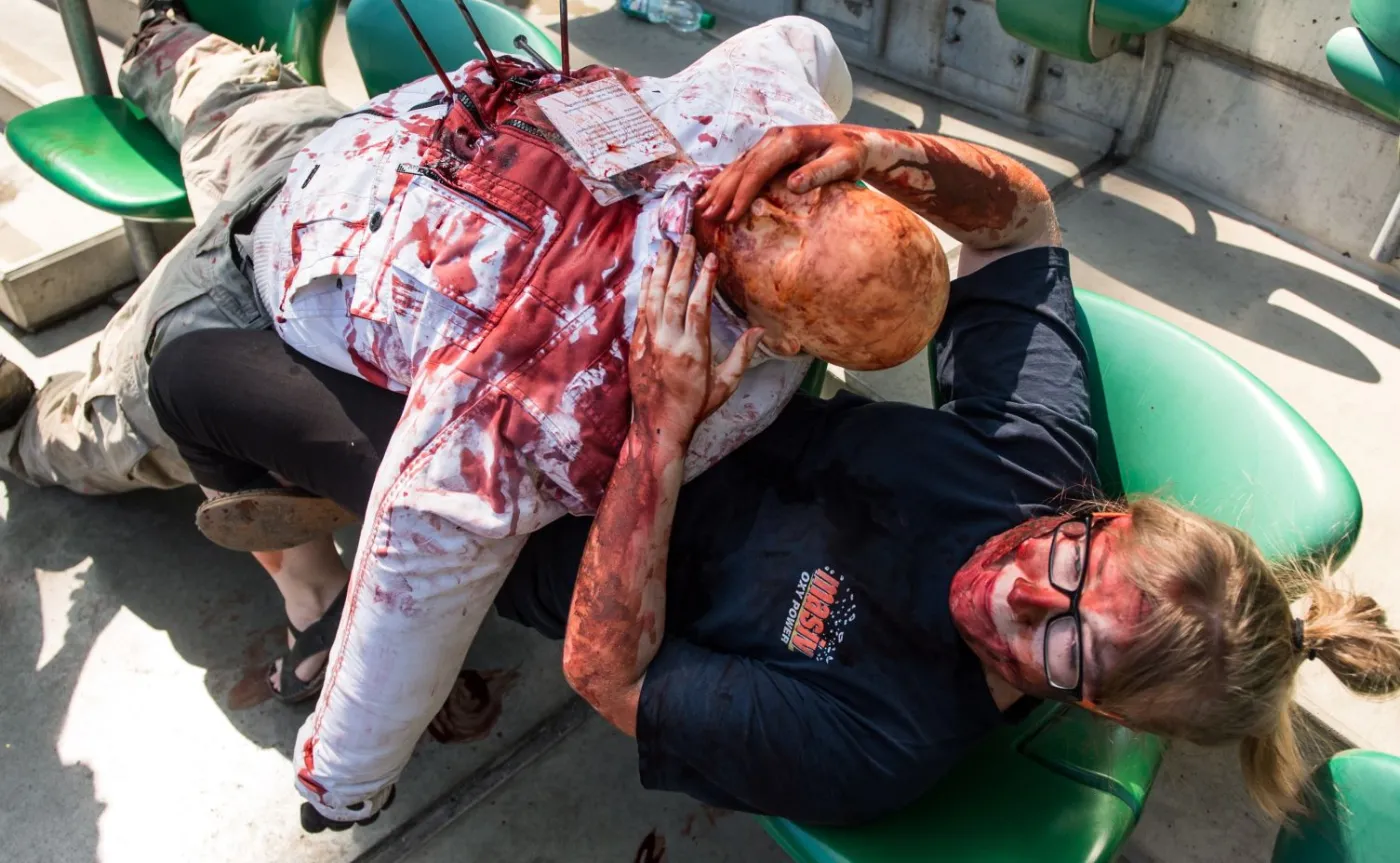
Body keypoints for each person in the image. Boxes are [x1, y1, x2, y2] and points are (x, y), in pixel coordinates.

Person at [153, 124, 1400, 827]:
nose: (1022, 589)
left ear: (1097, 711)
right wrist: (877, 152)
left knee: (194, 366)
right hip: (683, 373)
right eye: (1073, 560)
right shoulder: (1041, 471)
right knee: (365, 186)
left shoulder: (880, 741)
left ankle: (271, 550)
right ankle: (227, 118)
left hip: (545, 516)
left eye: (1065, 648)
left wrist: (650, 426)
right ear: (1105, 518)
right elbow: (1021, 226)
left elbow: (605, 672)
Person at [0, 3, 951, 826]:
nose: (764, 211)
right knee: (229, 93)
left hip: (258, 277)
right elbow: (808, 46)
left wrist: (344, 776)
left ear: (788, 339)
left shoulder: (574, 381)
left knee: (110, 413)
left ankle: (26, 431)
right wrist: (851, 139)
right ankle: (161, 43)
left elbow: (419, 559)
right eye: (795, 195)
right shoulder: (770, 115)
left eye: (780, 237)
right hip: (353, 146)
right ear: (825, 170)